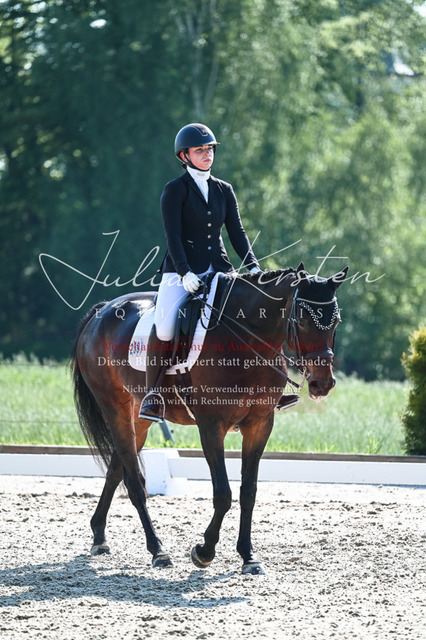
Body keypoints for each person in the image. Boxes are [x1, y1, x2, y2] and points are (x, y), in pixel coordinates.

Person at [138, 123, 297, 422]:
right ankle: (153, 394)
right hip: (180, 272)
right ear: (184, 156)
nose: (207, 154)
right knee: (166, 326)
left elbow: (237, 232)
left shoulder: (224, 189)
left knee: (254, 316)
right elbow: (173, 236)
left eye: (210, 149)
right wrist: (185, 272)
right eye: (200, 150)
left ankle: (275, 385)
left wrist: (253, 267)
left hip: (221, 270)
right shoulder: (175, 190)